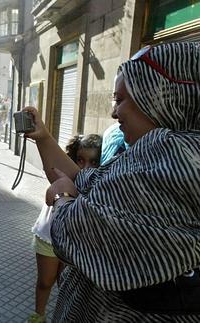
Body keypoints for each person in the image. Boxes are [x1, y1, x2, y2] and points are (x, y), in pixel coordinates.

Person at [24, 42, 200, 321]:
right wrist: (44, 137)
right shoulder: (153, 155)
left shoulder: (174, 158)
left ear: (158, 97)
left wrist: (62, 200)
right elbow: (84, 181)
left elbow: (74, 229)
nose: (113, 113)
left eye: (121, 100)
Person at [28, 134, 102, 323]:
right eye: (80, 160)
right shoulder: (64, 171)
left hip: (75, 239)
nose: (86, 167)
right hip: (48, 235)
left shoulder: (103, 183)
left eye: (93, 162)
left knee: (66, 283)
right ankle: (38, 317)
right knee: (45, 282)